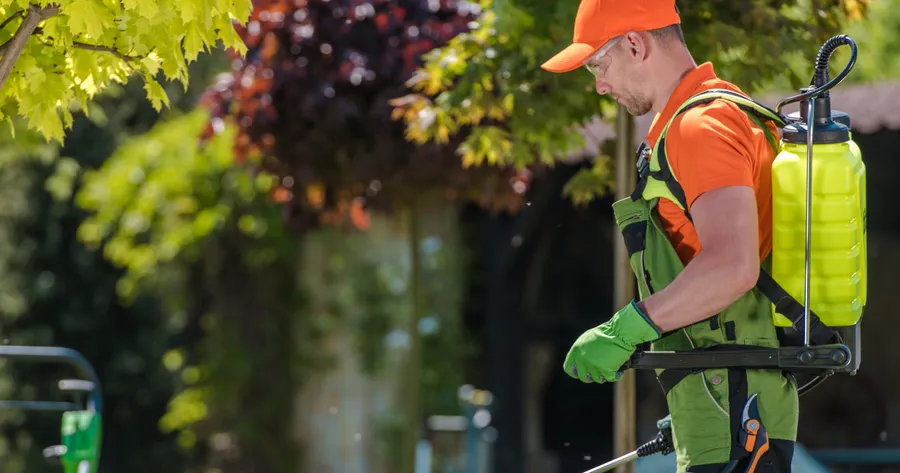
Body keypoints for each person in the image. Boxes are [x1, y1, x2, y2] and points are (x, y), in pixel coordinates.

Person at [540, 0, 799, 472]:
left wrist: (627, 328)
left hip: (734, 410)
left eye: (599, 64)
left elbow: (732, 265)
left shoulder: (700, 128)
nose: (599, 85)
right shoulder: (718, 112)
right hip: (728, 400)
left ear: (636, 44)